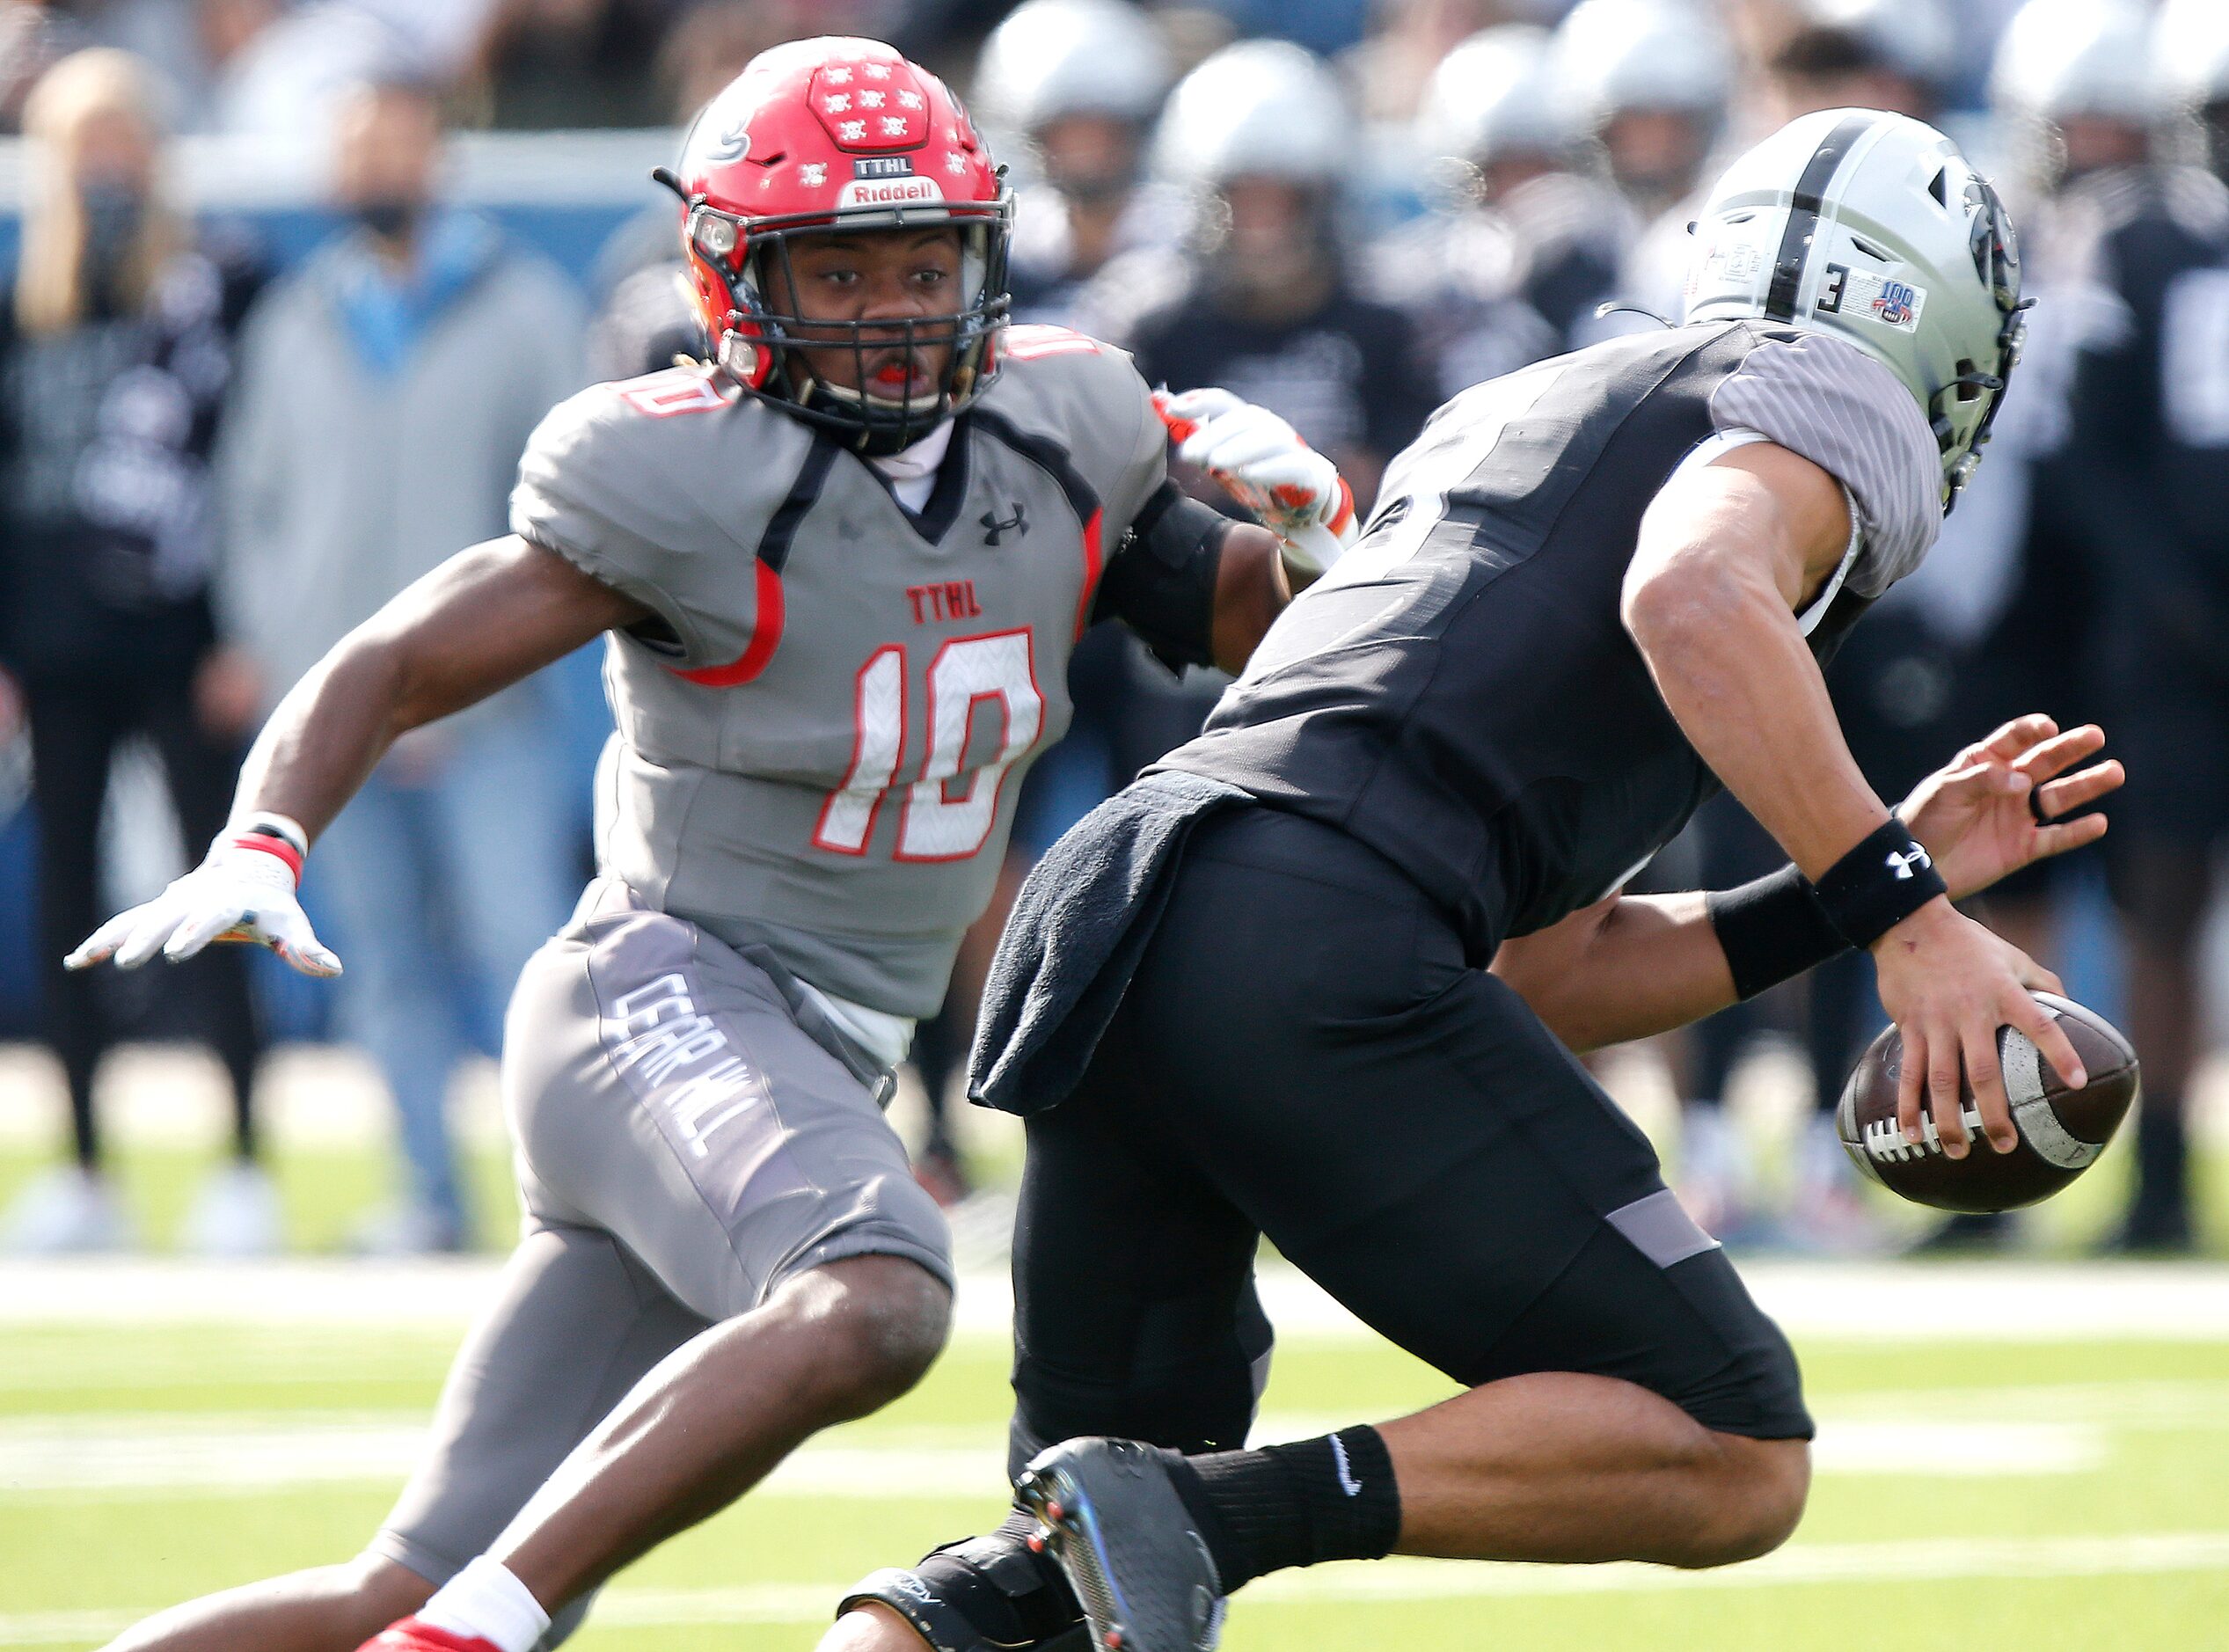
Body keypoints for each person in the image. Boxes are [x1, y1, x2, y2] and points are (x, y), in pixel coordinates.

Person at [69, 37, 1318, 1652]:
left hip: (791, 1051)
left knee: (394, 1578)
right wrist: (264, 835)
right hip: (660, 997)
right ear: (737, 278)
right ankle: (473, 1638)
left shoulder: (1063, 425)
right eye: (841, 269)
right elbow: (395, 655)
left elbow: (1230, 619)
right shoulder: (682, 472)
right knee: (875, 1294)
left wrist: (1303, 547)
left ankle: (444, 1619)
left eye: (922, 260)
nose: (890, 306)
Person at [821, 108, 2120, 1652]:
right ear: (1935, 315)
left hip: (1128, 910)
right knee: (1731, 1444)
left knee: (1061, 1595)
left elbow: (1549, 971)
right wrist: (1907, 914)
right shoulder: (1830, 398)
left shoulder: (1526, 408)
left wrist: (1843, 886)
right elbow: (1694, 589)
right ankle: (1223, 1506)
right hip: (1305, 921)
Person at [216, 73, 589, 1254]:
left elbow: (568, 515)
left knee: (523, 955)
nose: (376, 168)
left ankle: (569, 1205)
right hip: (338, 718)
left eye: (396, 144)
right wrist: (289, 663)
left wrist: (458, 673)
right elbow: (253, 509)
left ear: (441, 155)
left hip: (490, 712)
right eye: (357, 149)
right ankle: (428, 1194)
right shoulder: (296, 318)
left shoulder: (525, 308)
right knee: (377, 964)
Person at [0, 48, 272, 1256]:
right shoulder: (23, 299)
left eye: (124, 141)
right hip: (56, 652)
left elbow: (255, 471)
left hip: (180, 643)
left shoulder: (218, 284)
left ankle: (245, 1159)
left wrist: (238, 630)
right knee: (66, 900)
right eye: (84, 146)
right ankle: (86, 1165)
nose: (106, 168)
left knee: (221, 896)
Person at [2048, 0, 2229, 1252]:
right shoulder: (2138, 241)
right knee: (2154, 898)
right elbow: (2085, 453)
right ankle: (2156, 1176)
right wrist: (2175, 596)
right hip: (2171, 641)